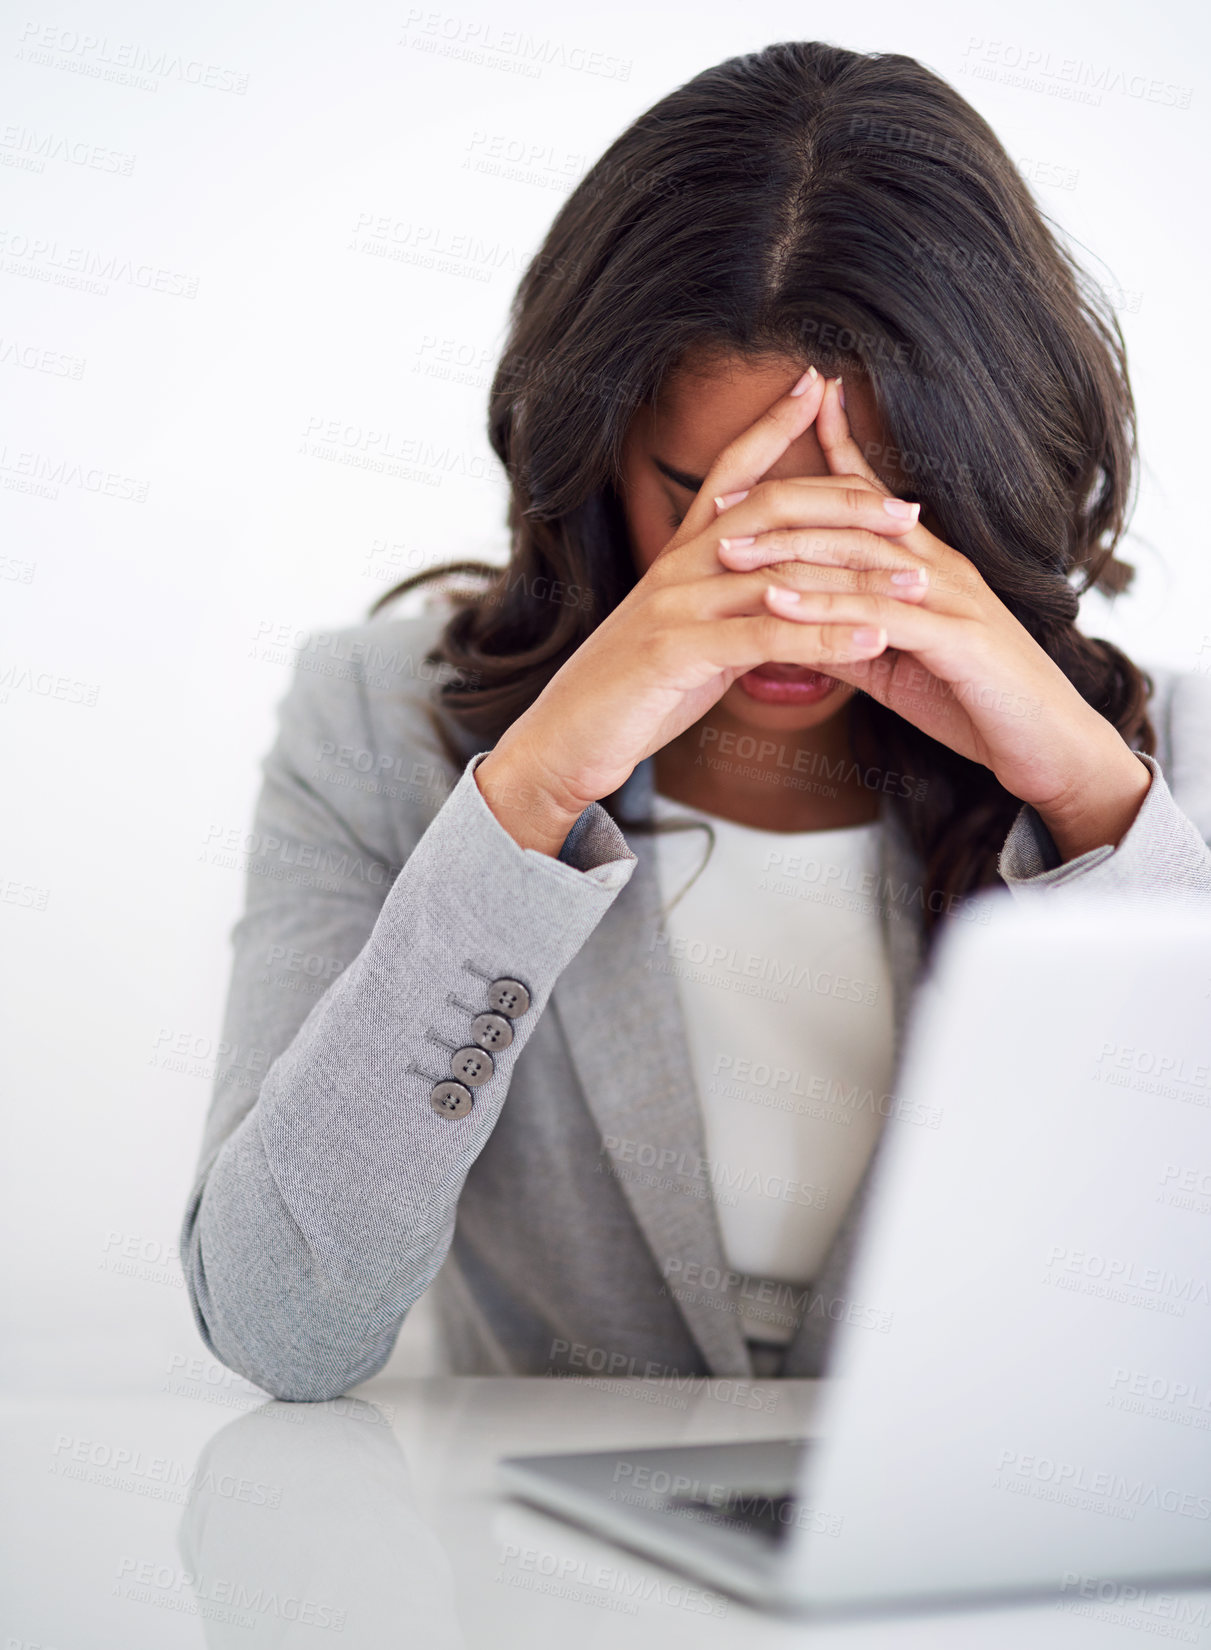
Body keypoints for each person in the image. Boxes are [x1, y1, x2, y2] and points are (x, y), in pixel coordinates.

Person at [180, 41, 1211, 1401]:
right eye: (711, 504)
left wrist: (1095, 801)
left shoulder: (1169, 776)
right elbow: (278, 1323)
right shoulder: (374, 722)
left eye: (865, 512)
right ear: (598, 454)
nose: (790, 590)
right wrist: (531, 795)